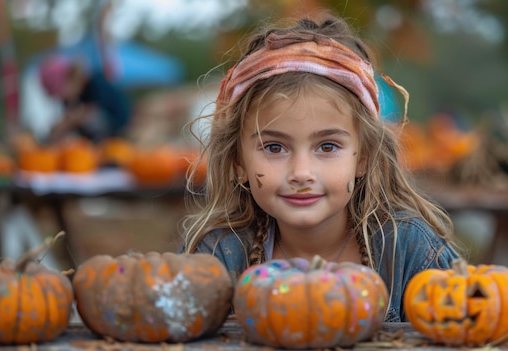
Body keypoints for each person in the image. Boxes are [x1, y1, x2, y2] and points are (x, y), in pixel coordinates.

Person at [179, 13, 460, 322]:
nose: (301, 173)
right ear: (239, 162)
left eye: (327, 147)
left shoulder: (410, 251)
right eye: (274, 147)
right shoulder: (218, 256)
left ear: (363, 157)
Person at [38, 54, 131, 143]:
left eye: (62, 94)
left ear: (71, 78)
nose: (62, 99)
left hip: (118, 130)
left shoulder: (96, 83)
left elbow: (89, 112)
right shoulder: (70, 99)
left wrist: (68, 121)